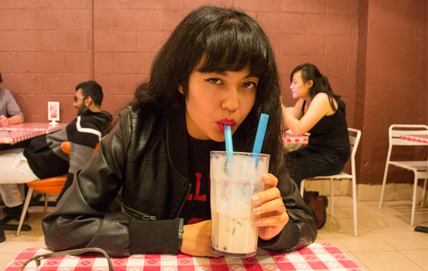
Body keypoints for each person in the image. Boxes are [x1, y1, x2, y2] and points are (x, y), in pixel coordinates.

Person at [43, 6, 316, 258]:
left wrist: (279, 229)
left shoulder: (253, 137)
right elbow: (62, 227)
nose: (233, 104)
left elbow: (303, 223)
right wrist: (175, 236)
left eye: (247, 84)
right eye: (215, 80)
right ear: (181, 81)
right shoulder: (138, 130)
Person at [0, 80, 113, 250]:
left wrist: (62, 206)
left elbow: (77, 170)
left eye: (76, 99)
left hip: (36, 165)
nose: (74, 103)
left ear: (87, 100)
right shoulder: (98, 121)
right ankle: (15, 208)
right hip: (35, 158)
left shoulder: (86, 128)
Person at [282, 63, 350, 229]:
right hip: (315, 152)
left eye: (295, 82)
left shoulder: (322, 98)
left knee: (292, 169)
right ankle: (309, 201)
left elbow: (298, 129)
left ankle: (302, 214)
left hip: (332, 157)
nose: (291, 86)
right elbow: (286, 125)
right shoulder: (304, 101)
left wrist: (281, 107)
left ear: (309, 83)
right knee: (280, 161)